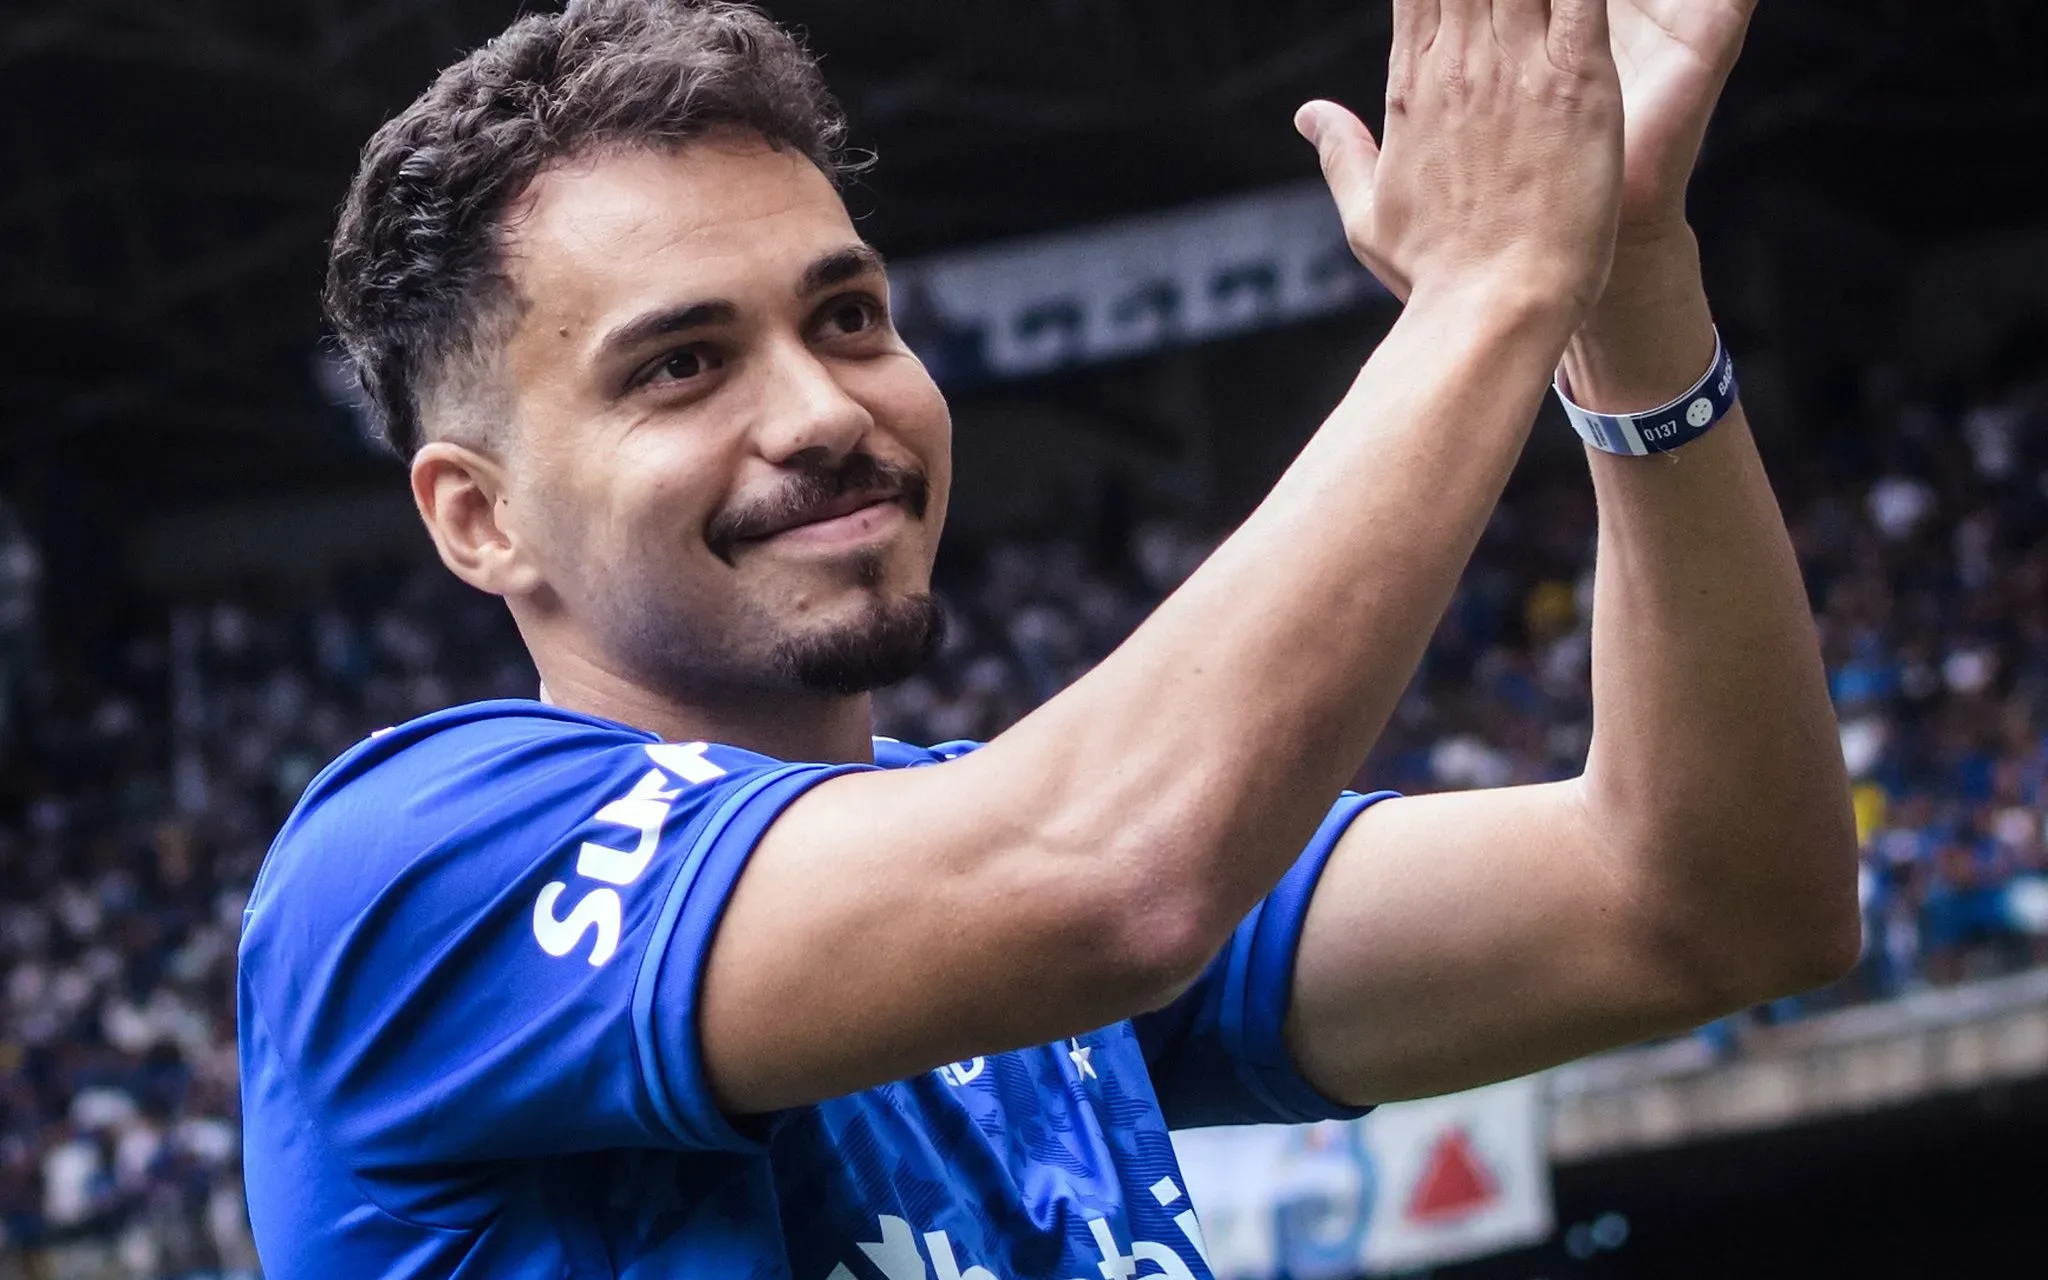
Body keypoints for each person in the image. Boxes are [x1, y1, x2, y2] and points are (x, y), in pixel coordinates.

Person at [239, 0, 1859, 1275]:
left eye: (849, 317)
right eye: (680, 365)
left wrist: (1623, 279)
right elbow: (1108, 873)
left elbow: (1711, 906)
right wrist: (1493, 287)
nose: (820, 409)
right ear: (479, 518)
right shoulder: (409, 869)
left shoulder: (989, 870)